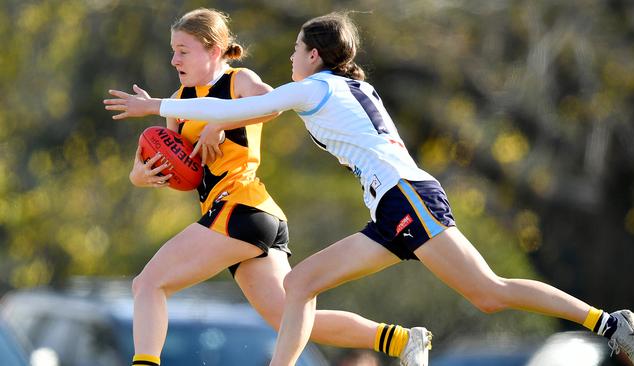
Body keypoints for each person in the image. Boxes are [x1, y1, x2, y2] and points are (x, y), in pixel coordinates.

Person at [104, 12, 634, 366]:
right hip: (392, 206)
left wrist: (155, 106)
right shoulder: (341, 84)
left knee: (487, 292)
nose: (291, 57)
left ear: (314, 56)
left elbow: (244, 106)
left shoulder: (313, 88)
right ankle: (391, 342)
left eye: (297, 49)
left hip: (407, 197)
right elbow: (236, 110)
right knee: (300, 286)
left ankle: (609, 322)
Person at [112, 8, 430, 366]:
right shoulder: (179, 101)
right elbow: (186, 172)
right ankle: (400, 339)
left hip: (241, 207)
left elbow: (273, 106)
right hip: (246, 216)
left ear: (213, 50)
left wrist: (221, 119)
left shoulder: (238, 81)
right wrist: (141, 175)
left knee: (148, 284)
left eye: (183, 50)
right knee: (285, 318)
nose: (174, 59)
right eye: (173, 50)